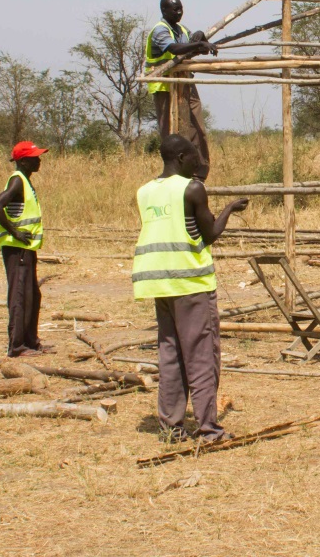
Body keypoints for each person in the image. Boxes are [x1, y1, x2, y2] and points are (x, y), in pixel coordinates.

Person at [132, 134, 248, 444]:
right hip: (190, 283)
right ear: (182, 157)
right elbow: (209, 234)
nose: (200, 162)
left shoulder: (144, 192)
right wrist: (229, 209)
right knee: (201, 356)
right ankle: (209, 429)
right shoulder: (192, 189)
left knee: (170, 354)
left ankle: (172, 426)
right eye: (195, 156)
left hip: (158, 282)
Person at [0, 141, 53, 358]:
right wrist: (15, 232)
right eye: (35, 157)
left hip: (26, 249)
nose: (39, 160)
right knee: (19, 295)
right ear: (23, 161)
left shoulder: (24, 181)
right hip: (17, 250)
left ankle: (31, 342)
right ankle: (16, 346)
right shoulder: (17, 181)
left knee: (32, 295)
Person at [144, 0, 215, 180]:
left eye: (181, 9)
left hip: (185, 84)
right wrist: (198, 43)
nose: (179, 13)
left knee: (198, 129)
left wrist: (201, 37)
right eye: (175, 10)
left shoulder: (182, 29)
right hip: (166, 85)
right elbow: (174, 49)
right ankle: (174, 175)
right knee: (171, 133)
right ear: (164, 11)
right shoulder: (160, 30)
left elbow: (194, 47)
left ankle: (199, 172)